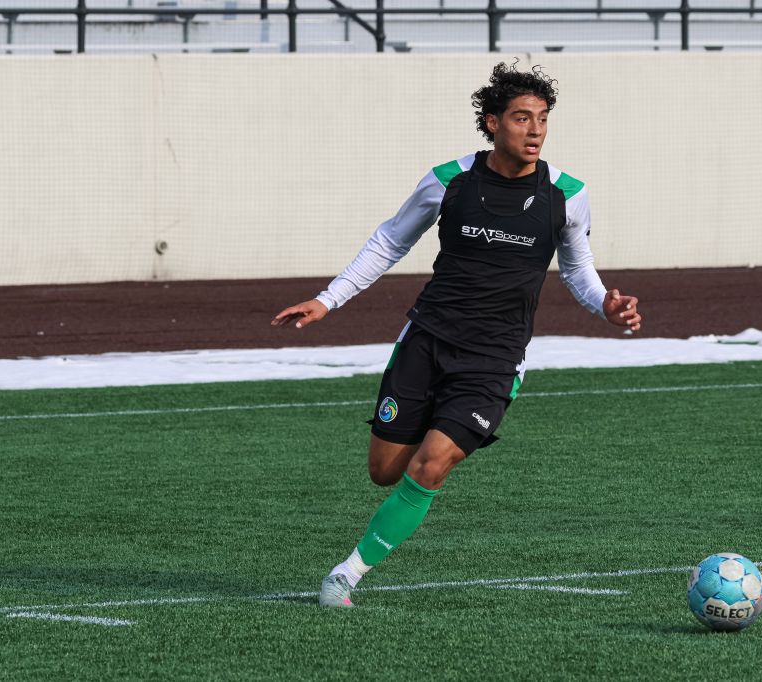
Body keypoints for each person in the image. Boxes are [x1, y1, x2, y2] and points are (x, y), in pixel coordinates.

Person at [272, 62, 641, 607]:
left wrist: (605, 305)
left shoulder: (567, 193)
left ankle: (345, 575)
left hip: (493, 359)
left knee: (431, 465)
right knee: (384, 471)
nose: (535, 130)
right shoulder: (449, 180)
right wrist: (328, 299)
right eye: (522, 118)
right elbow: (389, 241)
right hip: (427, 341)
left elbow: (578, 268)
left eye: (543, 118)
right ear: (492, 122)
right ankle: (431, 431)